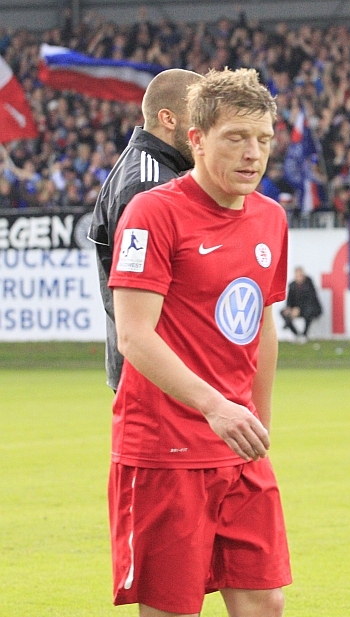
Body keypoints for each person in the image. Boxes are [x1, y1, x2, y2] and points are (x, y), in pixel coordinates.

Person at [104, 68, 291, 617]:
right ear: (197, 139)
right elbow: (135, 336)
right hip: (165, 447)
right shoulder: (152, 211)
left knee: (264, 605)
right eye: (236, 137)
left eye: (262, 138)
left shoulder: (270, 217)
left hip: (237, 443)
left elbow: (260, 325)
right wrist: (215, 406)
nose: (252, 153)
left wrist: (257, 419)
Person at [88, 68, 203, 392]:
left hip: (162, 370)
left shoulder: (156, 171)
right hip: (157, 375)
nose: (206, 130)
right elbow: (144, 292)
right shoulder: (149, 183)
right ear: (168, 119)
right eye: (199, 117)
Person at [281, 266, 323, 342]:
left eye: (300, 275)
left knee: (308, 313)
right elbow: (289, 300)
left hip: (311, 309)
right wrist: (289, 308)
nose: (299, 277)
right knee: (283, 312)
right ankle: (296, 334)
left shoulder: (309, 284)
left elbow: (311, 300)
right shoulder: (292, 285)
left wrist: (298, 309)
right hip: (297, 309)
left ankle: (304, 334)